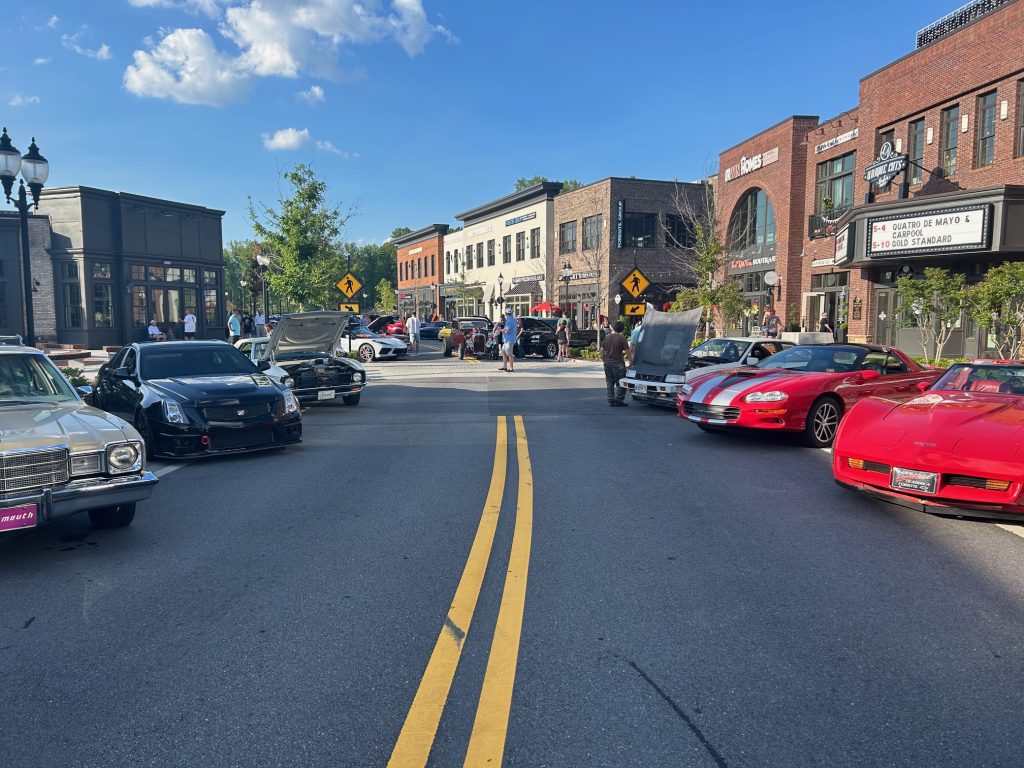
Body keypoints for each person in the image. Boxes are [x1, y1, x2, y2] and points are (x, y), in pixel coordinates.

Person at [601, 320, 631, 407]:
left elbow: (602, 350)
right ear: (622, 329)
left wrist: (604, 360)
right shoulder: (622, 338)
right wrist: (631, 361)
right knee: (622, 382)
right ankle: (619, 399)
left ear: (613, 328)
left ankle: (611, 399)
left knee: (610, 382)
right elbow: (628, 351)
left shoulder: (607, 338)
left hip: (608, 363)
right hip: (618, 363)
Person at [499, 308, 519, 372]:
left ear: (506, 313)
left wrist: (500, 330)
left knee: (509, 354)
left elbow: (506, 331)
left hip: (508, 340)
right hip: (507, 340)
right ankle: (504, 366)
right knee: (503, 352)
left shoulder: (509, 320)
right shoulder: (513, 320)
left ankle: (511, 368)